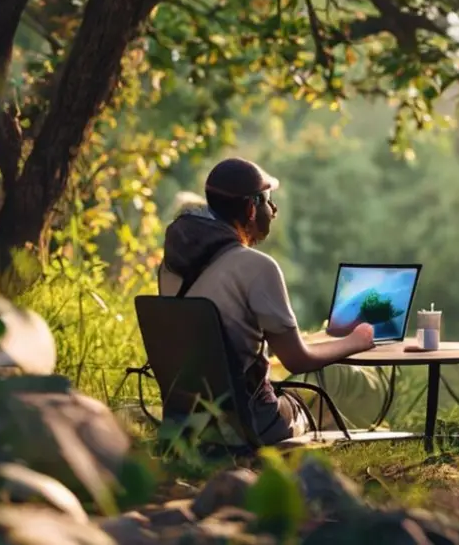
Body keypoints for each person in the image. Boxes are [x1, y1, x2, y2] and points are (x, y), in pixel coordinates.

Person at [157, 157, 375, 444]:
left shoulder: (171, 267)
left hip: (186, 422)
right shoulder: (258, 266)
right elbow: (297, 360)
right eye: (268, 201)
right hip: (251, 424)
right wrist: (357, 340)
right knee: (323, 396)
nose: (273, 210)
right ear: (250, 209)